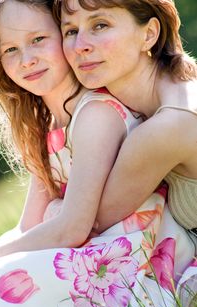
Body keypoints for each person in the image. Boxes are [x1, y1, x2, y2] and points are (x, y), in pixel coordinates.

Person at [0, 1, 195, 307]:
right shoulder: (53, 124)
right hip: (101, 260)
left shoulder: (109, 116)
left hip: (136, 272)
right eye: (11, 49)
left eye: (39, 39)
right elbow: (31, 226)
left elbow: (79, 225)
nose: (27, 59)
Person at [57, 0, 197, 236]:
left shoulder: (167, 127)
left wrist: (52, 205)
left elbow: (87, 224)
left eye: (100, 25)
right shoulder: (178, 81)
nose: (80, 46)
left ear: (149, 34)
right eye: (71, 31)